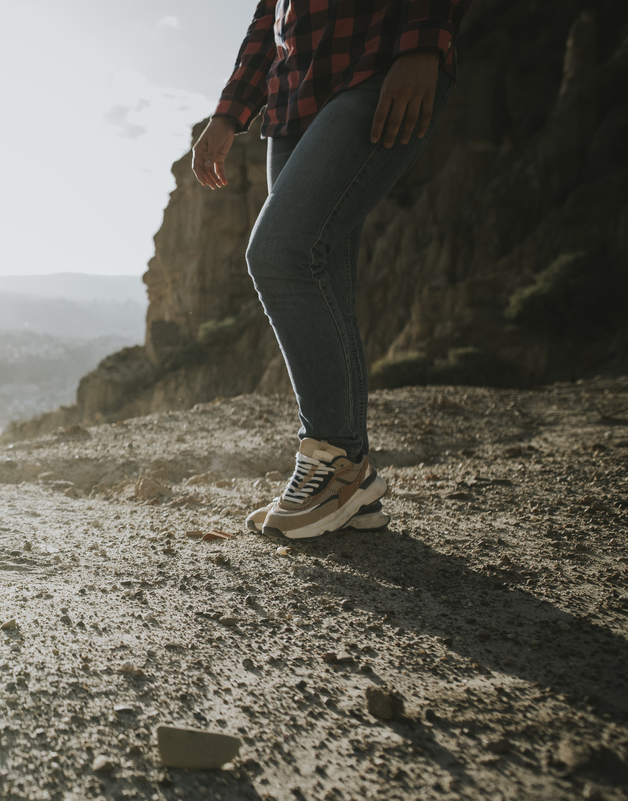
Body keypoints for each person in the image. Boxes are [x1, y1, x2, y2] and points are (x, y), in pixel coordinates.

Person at [193, 0, 470, 539]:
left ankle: (333, 460)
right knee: (324, 280)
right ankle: (353, 488)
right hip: (294, 93)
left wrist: (423, 43)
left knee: (279, 255)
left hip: (379, 61)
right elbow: (268, 17)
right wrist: (229, 112)